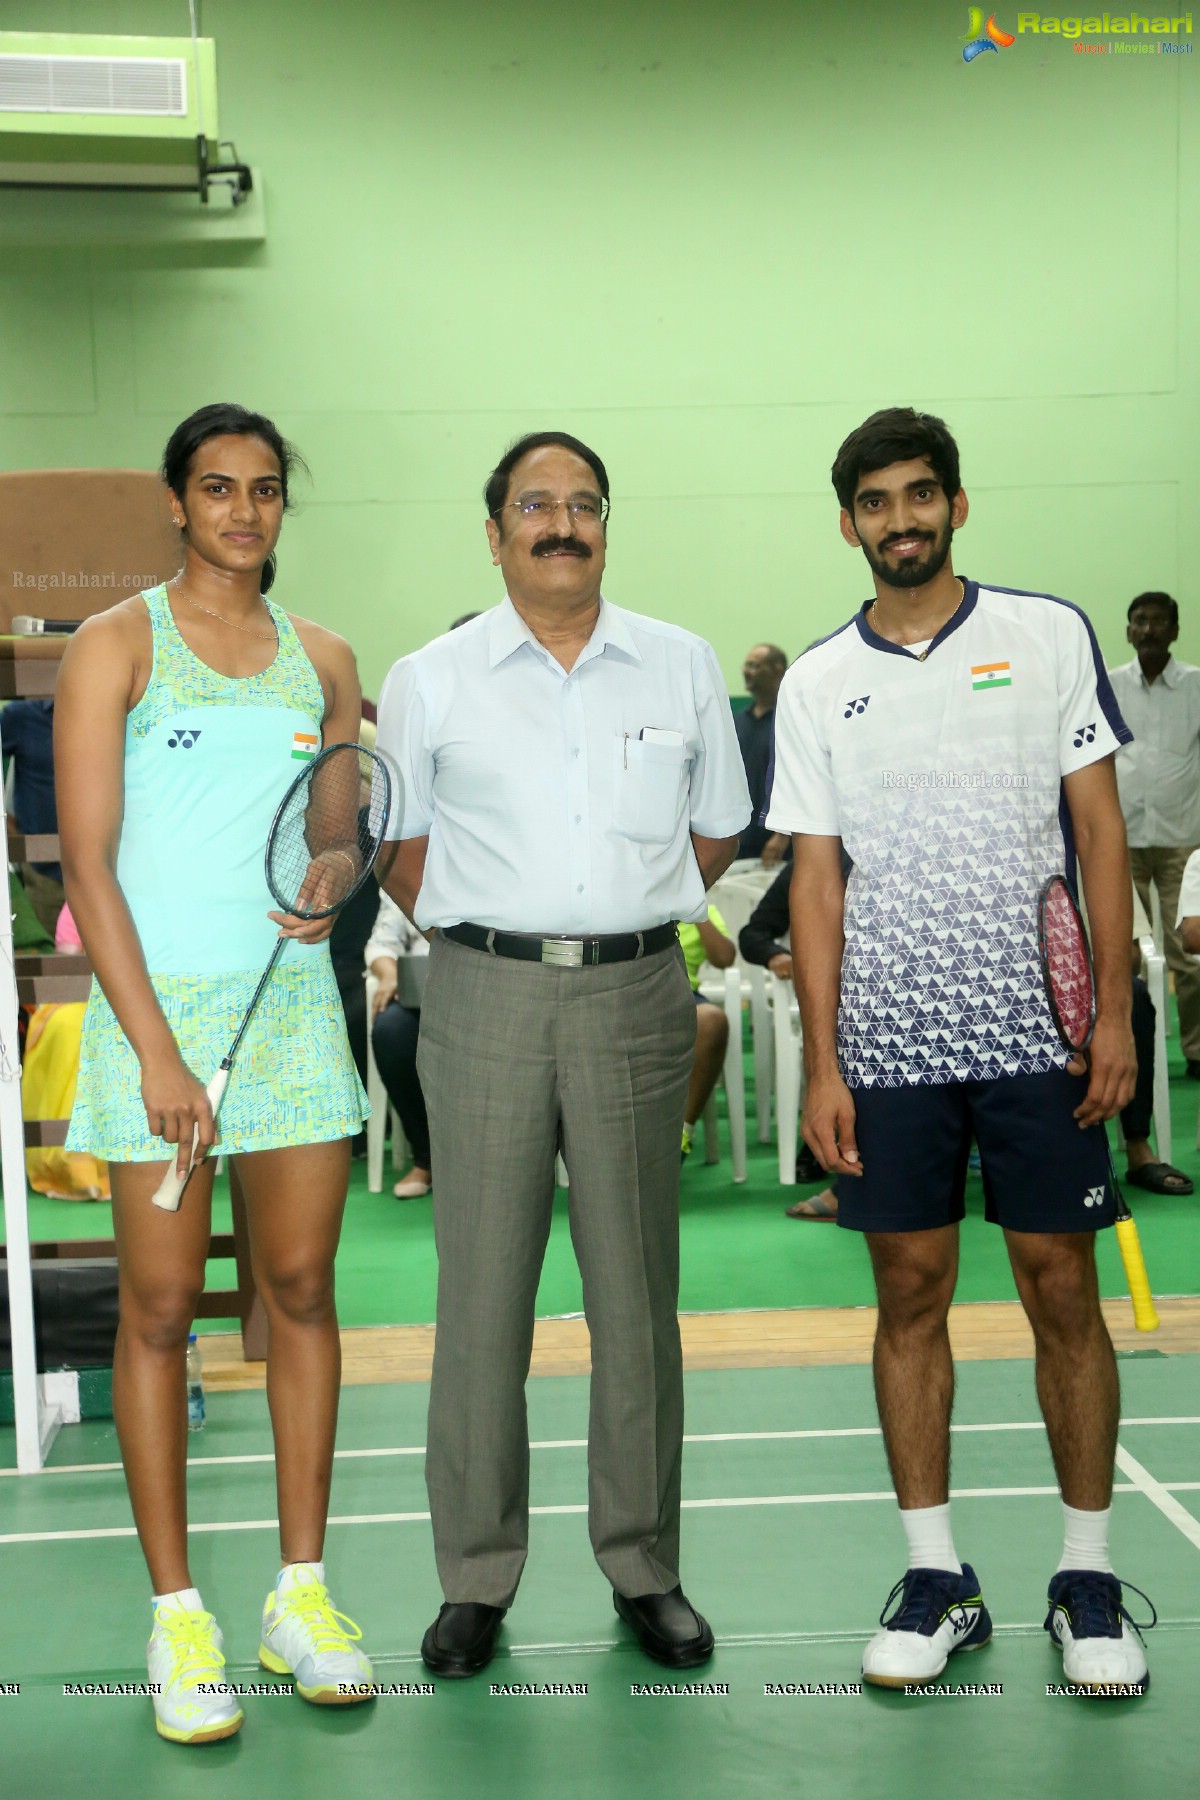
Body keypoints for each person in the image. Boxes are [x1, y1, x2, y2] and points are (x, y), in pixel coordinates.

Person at [769, 406, 1153, 1697]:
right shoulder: (820, 682)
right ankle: (938, 1577)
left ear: (958, 504)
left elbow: (1098, 836)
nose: (901, 519)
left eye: (920, 494)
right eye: (875, 502)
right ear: (848, 523)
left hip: (1039, 1038)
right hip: (888, 1043)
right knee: (910, 1298)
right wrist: (825, 1062)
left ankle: (1086, 1578)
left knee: (1060, 1290)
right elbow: (815, 885)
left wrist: (1109, 1013)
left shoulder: (1047, 635)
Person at [377, 429, 749, 1678]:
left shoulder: (681, 664)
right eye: (535, 504)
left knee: (635, 1299)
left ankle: (644, 1566)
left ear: (606, 524)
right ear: (493, 533)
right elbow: (403, 851)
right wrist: (502, 933)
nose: (561, 523)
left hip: (637, 997)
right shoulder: (431, 676)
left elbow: (713, 839)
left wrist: (617, 916)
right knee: (482, 1305)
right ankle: (475, 1579)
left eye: (583, 503)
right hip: (479, 998)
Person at [55, 403, 374, 1744]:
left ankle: (299, 1595)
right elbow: (87, 862)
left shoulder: (326, 658)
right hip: (154, 1021)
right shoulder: (115, 645)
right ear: (177, 504)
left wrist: (330, 869)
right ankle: (178, 1613)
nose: (245, 510)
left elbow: (339, 832)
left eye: (265, 491)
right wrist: (160, 1054)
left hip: (290, 1014)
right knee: (163, 1309)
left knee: (299, 1290)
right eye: (219, 489)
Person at [1109, 592, 1200, 1077]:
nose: (1148, 630)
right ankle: (1135, 1056)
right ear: (1128, 631)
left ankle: (1197, 1051)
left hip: (1182, 839)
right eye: (1139, 621)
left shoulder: (1195, 686)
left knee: (1190, 952)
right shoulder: (1109, 686)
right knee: (1125, 953)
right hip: (1120, 841)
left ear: (1174, 630)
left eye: (1158, 621)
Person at [738, 866, 839, 1218]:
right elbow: (752, 935)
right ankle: (828, 1145)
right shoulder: (813, 859)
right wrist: (777, 956)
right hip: (839, 1004)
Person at [365, 889, 432, 1198]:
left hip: (490, 990)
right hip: (420, 993)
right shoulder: (410, 865)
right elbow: (380, 944)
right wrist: (390, 975)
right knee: (391, 1031)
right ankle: (427, 1157)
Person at [676, 905, 736, 1160]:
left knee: (712, 1020)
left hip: (683, 994)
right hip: (625, 993)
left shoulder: (703, 907)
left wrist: (695, 910)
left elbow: (724, 958)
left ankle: (682, 1136)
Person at [2, 695, 64, 936]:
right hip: (43, 870)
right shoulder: (21, 716)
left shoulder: (112, 708)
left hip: (111, 867)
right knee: (44, 956)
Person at [734, 643, 787, 863]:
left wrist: (782, 836)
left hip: (776, 845)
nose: (747, 671)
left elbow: (799, 780)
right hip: (737, 840)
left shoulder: (789, 720)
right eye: (746, 665)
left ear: (776, 670)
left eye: (754, 665)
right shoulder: (737, 722)